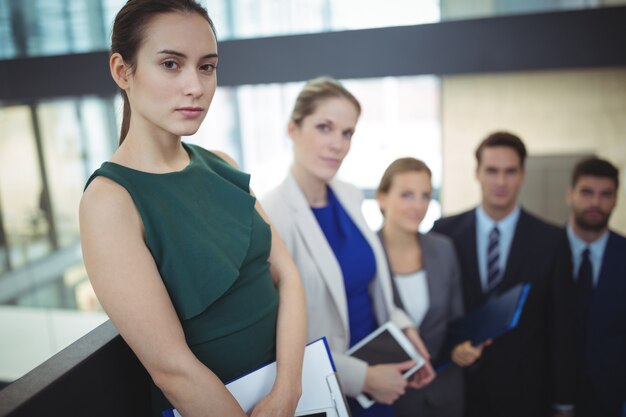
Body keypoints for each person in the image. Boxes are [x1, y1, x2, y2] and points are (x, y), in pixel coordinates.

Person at [79, 2, 306, 416]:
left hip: (291, 394)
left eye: (206, 66)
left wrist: (288, 390)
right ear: (122, 71)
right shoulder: (110, 200)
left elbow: (287, 274)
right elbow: (172, 369)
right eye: (170, 64)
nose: (196, 87)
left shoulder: (221, 163)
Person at [261, 77, 435, 417]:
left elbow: (375, 291)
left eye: (347, 133)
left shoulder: (350, 194)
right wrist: (362, 378)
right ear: (292, 129)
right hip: (334, 384)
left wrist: (407, 331)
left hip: (383, 373)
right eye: (325, 127)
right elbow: (276, 334)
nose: (337, 144)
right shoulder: (272, 214)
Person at [431, 132, 564, 417]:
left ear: (523, 175)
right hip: (459, 391)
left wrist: (561, 400)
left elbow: (559, 325)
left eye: (510, 172)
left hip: (527, 395)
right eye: (492, 171)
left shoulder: (551, 240)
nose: (501, 182)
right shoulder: (444, 234)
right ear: (477, 173)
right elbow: (436, 315)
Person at [376, 157, 487, 417]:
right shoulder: (366, 253)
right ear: (382, 198)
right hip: (389, 397)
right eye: (407, 195)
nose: (418, 206)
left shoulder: (444, 249)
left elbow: (455, 321)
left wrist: (465, 346)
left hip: (444, 394)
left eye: (425, 196)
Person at [558, 157, 626, 417]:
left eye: (605, 194)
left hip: (611, 399)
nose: (595, 203)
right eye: (587, 192)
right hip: (547, 397)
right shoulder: (543, 249)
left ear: (616, 199)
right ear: (570, 194)